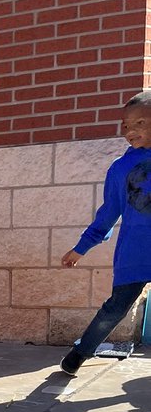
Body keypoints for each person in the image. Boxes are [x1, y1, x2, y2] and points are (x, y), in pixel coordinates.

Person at [59, 90, 151, 375]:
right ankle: (80, 353)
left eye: (140, 123)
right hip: (134, 254)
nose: (129, 131)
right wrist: (81, 248)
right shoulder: (120, 169)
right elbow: (108, 214)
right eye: (125, 125)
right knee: (114, 309)